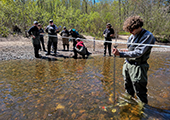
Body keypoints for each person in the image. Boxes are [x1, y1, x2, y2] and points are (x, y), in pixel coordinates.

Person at [112, 16, 155, 105]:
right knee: (127, 87)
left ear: (139, 27)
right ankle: (128, 103)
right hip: (127, 65)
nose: (131, 33)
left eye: (132, 30)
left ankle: (142, 111)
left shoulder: (148, 36)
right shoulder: (132, 36)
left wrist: (120, 54)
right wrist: (122, 51)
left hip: (138, 67)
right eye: (129, 31)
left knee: (140, 92)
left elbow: (139, 52)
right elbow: (131, 50)